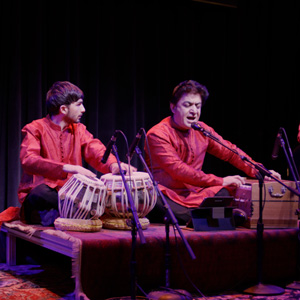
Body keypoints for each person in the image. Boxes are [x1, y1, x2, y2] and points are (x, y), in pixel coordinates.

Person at [145, 80, 281, 225]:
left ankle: (204, 216)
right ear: (173, 107)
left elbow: (230, 152)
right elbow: (179, 170)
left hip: (195, 194)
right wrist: (221, 180)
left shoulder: (202, 129)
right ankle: (214, 216)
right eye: (187, 105)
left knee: (226, 191)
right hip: (167, 194)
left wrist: (261, 172)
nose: (194, 111)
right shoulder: (157, 134)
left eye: (197, 106)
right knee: (156, 201)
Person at [18, 81, 136, 226]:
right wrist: (69, 168)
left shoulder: (79, 130)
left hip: (72, 195)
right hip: (44, 197)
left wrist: (113, 165)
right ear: (63, 109)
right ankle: (73, 212)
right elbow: (28, 160)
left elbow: (95, 149)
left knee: (102, 194)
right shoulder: (35, 129)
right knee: (41, 192)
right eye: (79, 104)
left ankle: (64, 213)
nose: (84, 109)